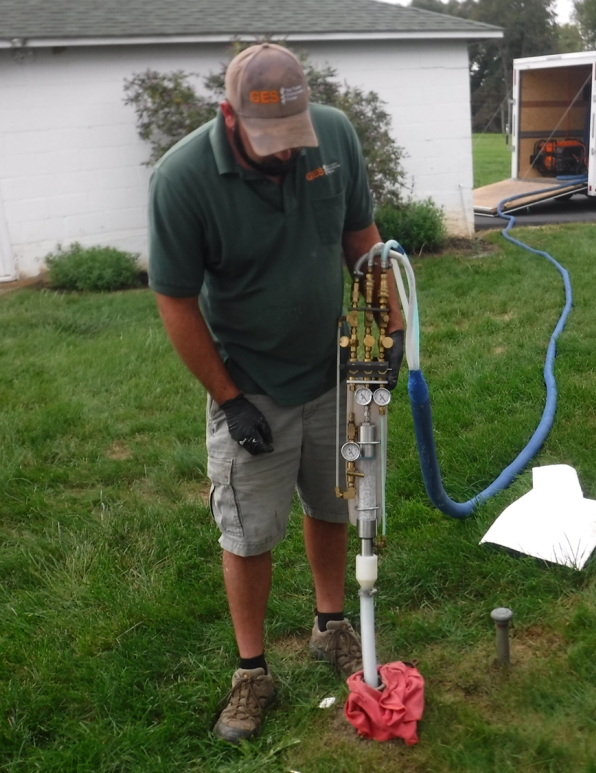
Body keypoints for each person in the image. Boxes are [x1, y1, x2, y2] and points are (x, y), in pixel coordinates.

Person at [146, 43, 404, 744]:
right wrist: (230, 399)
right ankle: (252, 671)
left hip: (333, 371)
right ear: (228, 116)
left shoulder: (334, 135)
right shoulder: (183, 179)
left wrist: (393, 329)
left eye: (293, 140)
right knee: (249, 532)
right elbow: (174, 300)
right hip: (249, 380)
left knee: (333, 502)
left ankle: (330, 625)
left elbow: (363, 242)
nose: (285, 155)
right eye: (269, 142)